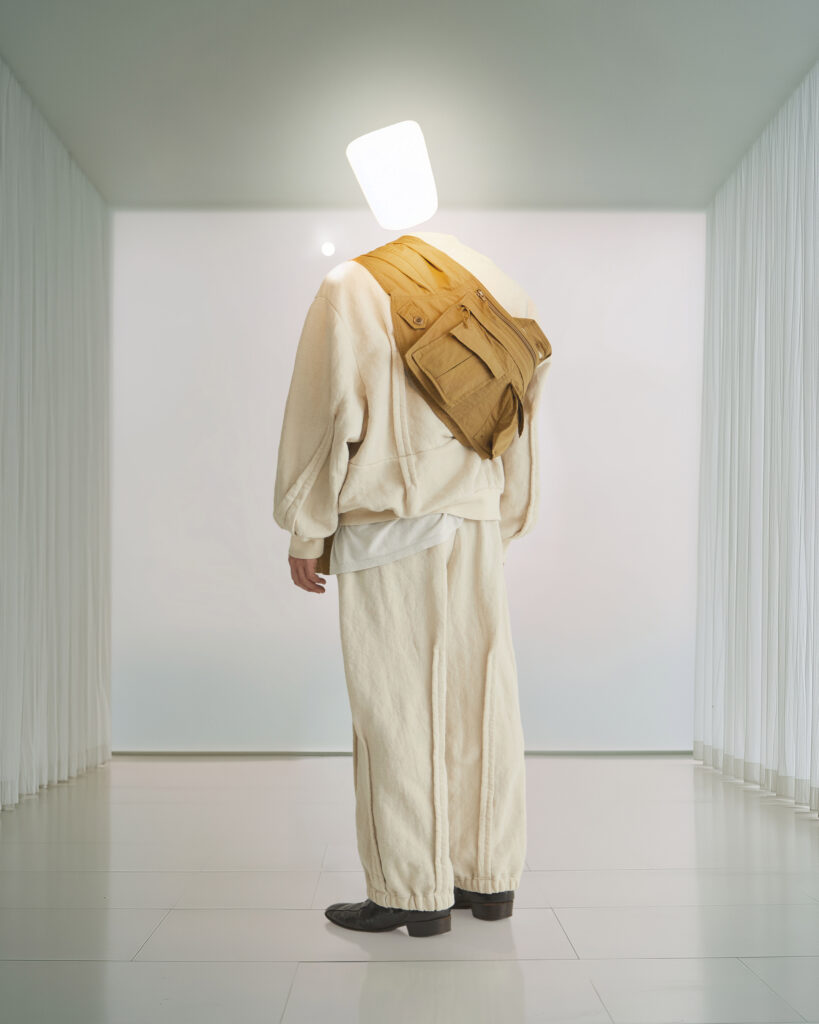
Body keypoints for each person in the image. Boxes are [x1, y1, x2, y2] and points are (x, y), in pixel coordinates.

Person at [273, 227, 552, 938]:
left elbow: (324, 412)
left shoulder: (350, 286)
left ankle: (410, 890)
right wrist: (506, 513)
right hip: (475, 515)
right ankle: (487, 878)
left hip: (389, 519)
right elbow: (520, 415)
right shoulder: (498, 283)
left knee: (396, 706)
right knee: (481, 701)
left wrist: (307, 528)